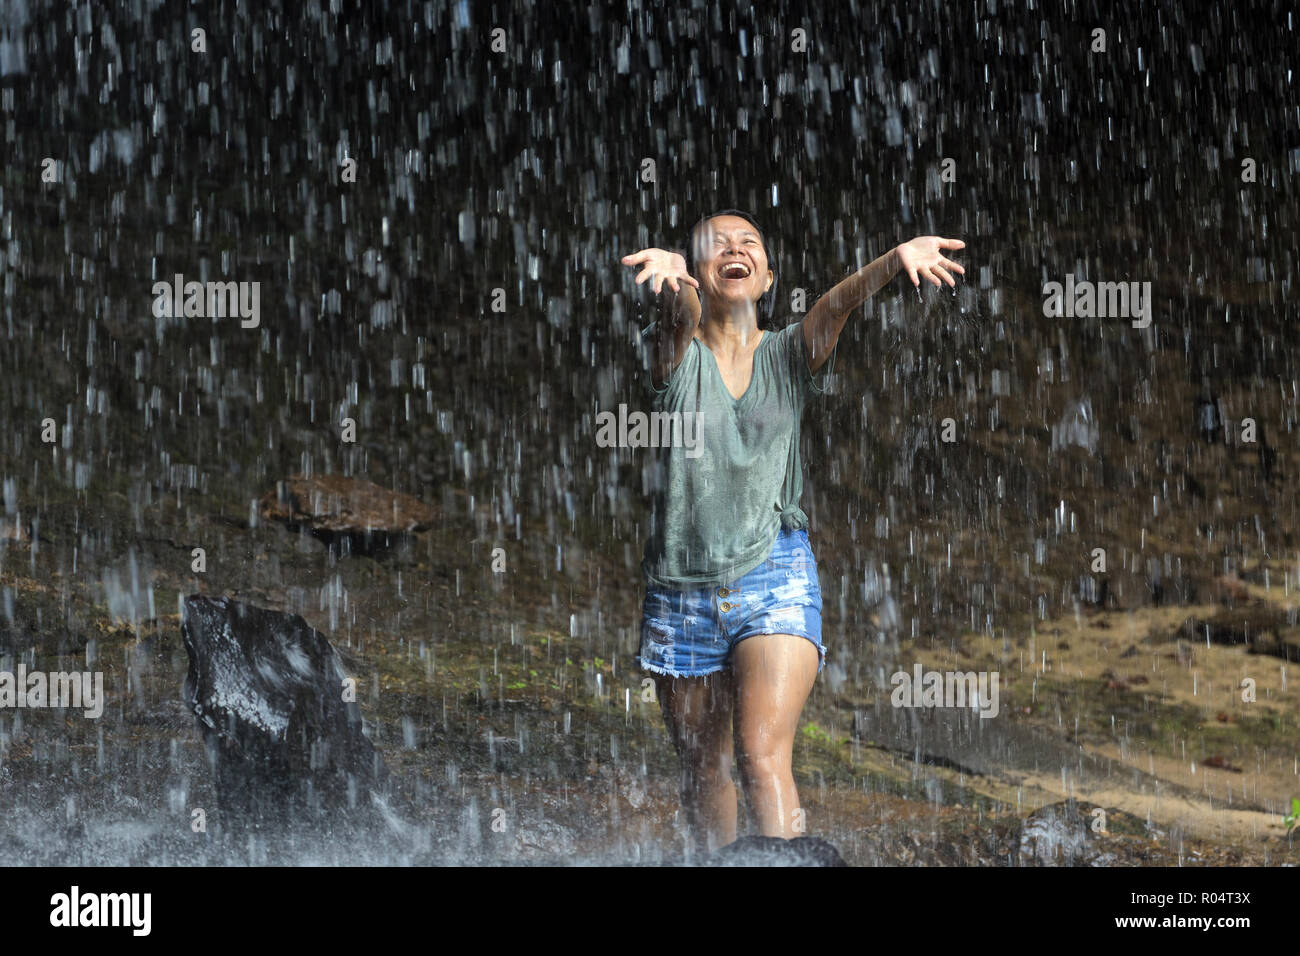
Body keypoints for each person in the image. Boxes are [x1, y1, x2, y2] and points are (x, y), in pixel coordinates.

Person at [621, 210, 965, 854]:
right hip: (680, 591)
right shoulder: (674, 354)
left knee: (758, 754)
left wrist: (896, 259)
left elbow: (833, 308)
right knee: (703, 767)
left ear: (768, 274)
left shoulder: (788, 354)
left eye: (749, 243)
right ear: (695, 271)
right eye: (715, 246)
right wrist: (671, 284)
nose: (735, 249)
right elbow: (679, 321)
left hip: (774, 573)